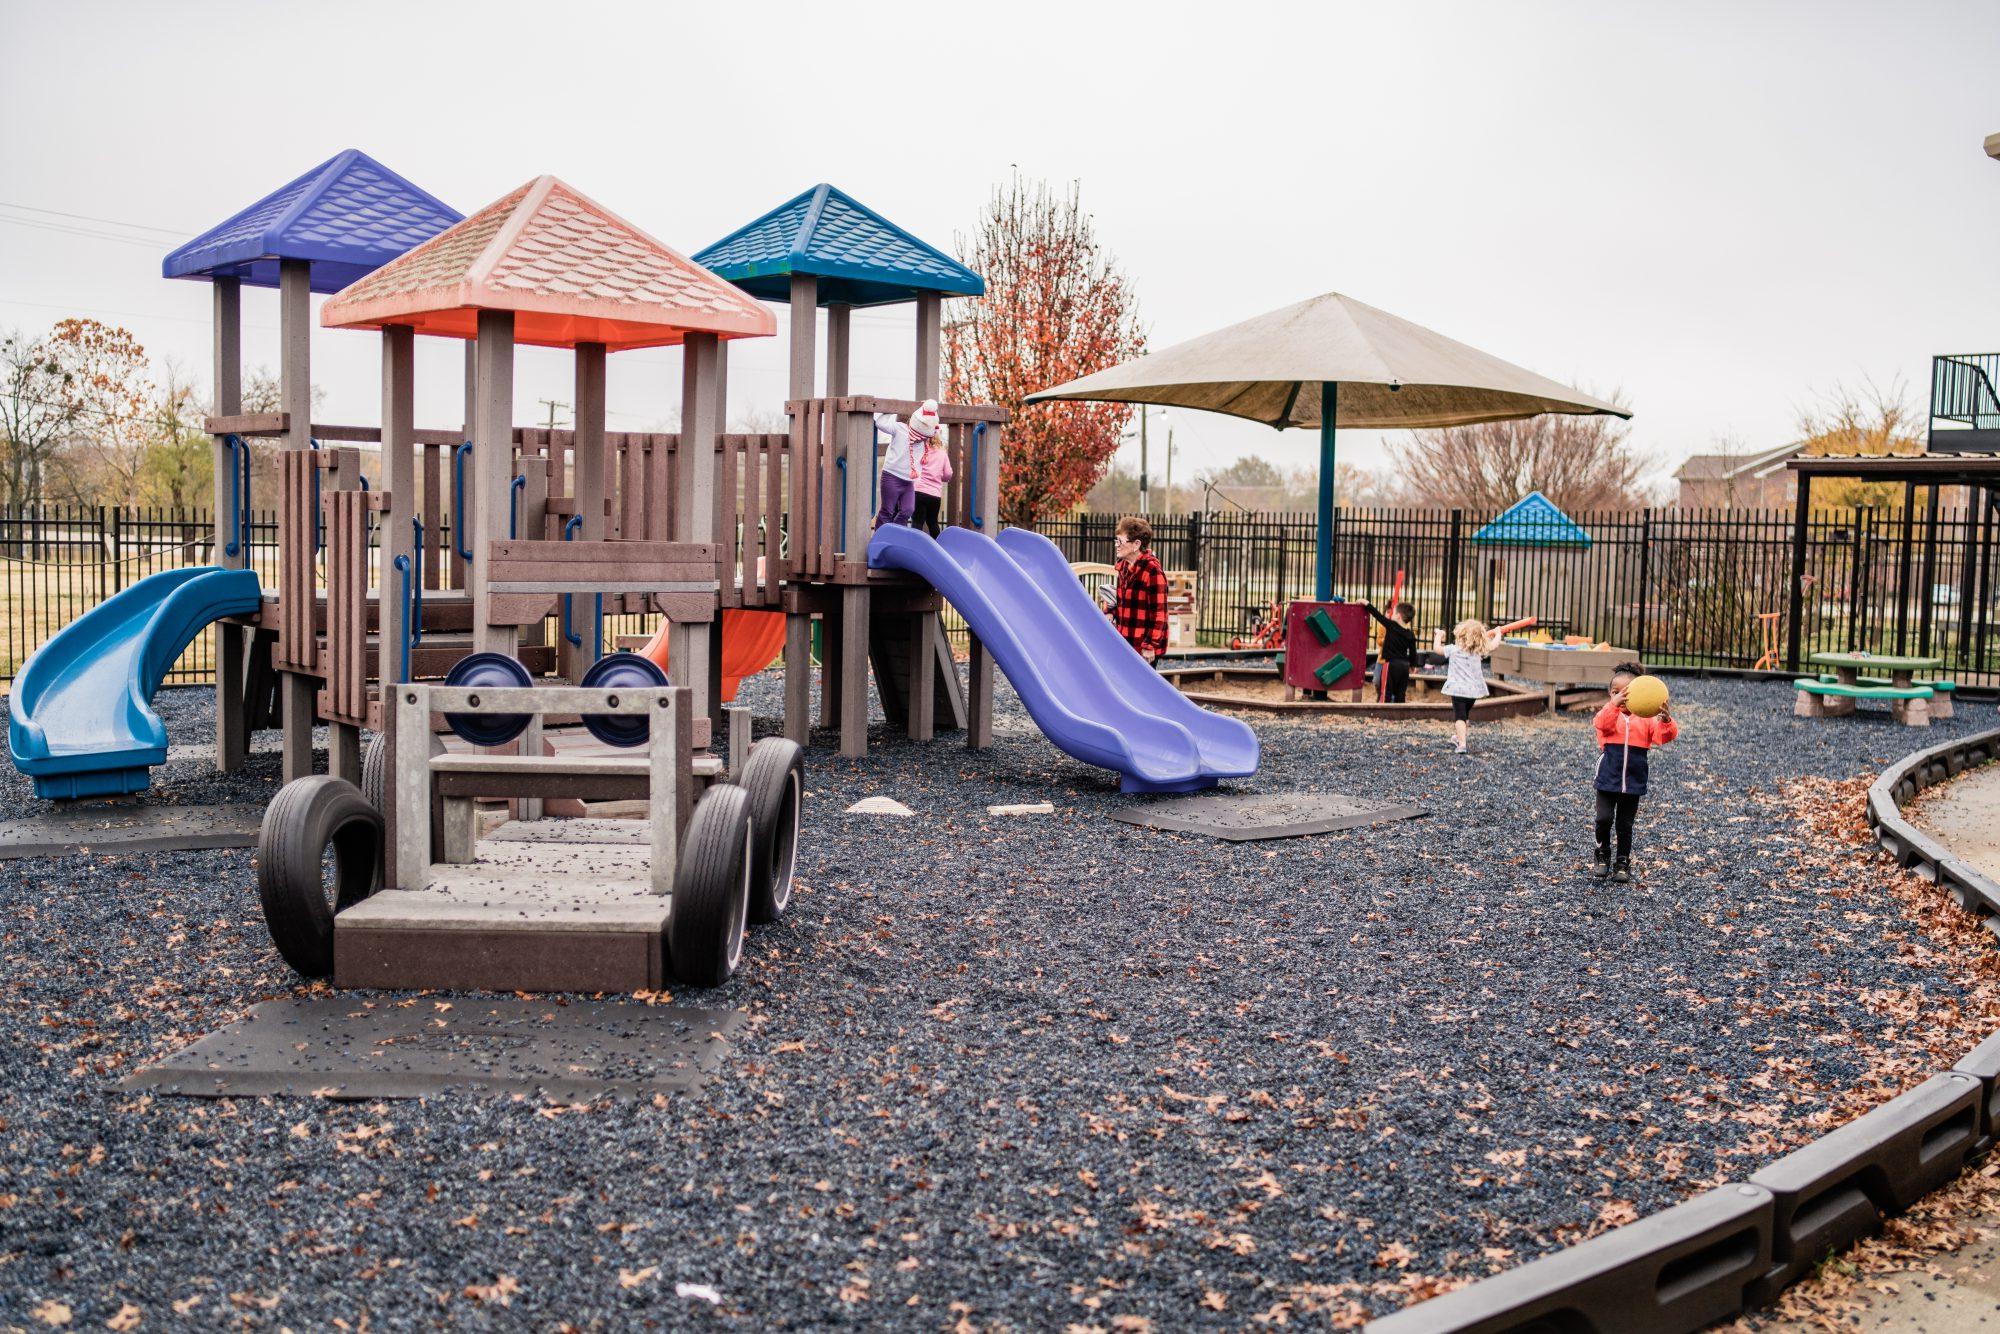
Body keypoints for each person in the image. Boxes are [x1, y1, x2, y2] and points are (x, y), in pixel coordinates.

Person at [1592, 660, 1677, 884]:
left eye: (1625, 693)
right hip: (1607, 779)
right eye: (1615, 692)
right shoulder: (1610, 716)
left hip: (1633, 781)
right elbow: (1600, 723)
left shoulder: (1646, 720)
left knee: (1625, 824)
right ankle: (1601, 855)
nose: (1619, 697)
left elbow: (1663, 737)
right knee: (1603, 818)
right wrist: (1612, 705)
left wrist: (1667, 721)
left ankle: (1622, 862)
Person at [1434, 618, 1503, 753]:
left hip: (1458, 690)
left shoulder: (1454, 649)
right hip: (1473, 691)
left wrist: (1439, 635)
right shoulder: (1478, 651)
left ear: (1460, 635)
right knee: (1464, 715)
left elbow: (1437, 649)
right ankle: (1458, 736)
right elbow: (1494, 645)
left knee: (1459, 717)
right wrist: (1498, 633)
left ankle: (1462, 744)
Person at [1109, 515, 1169, 666]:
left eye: (1120, 541)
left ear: (1136, 544)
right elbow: (1121, 600)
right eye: (1116, 541)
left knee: (1143, 689)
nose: (1116, 545)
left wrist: (1150, 645)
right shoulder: (1123, 566)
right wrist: (1110, 612)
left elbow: (1159, 613)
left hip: (1143, 646)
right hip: (1125, 641)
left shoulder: (1152, 570)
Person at [871, 399, 937, 530]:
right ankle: (880, 537)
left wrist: (924, 407)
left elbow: (932, 420)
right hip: (892, 476)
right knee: (888, 511)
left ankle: (895, 535)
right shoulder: (900, 429)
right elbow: (880, 423)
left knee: (908, 510)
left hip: (908, 481)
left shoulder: (924, 438)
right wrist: (890, 409)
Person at [1363, 600, 1418, 703]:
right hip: (1404, 666)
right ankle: (1399, 714)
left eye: (1394, 612)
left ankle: (1384, 713)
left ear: (1398, 616)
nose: (1391, 614)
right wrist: (1412, 666)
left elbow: (1378, 615)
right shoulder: (1410, 634)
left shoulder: (1391, 626)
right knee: (1401, 692)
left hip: (1391, 664)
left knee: (1386, 690)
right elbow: (1413, 653)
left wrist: (1366, 604)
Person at [912, 424, 953, 537]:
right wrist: (940, 477)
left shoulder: (919, 450)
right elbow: (948, 474)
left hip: (918, 492)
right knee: (933, 522)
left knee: (917, 522)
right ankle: (937, 546)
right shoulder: (942, 454)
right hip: (934, 495)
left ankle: (914, 546)